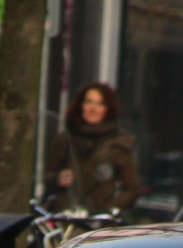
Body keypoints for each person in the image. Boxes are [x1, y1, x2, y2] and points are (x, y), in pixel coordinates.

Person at [43, 83, 140, 215]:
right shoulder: (65, 139)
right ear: (80, 106)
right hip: (66, 221)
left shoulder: (118, 145)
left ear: (108, 109)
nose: (93, 108)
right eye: (89, 102)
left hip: (98, 225)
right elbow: (47, 175)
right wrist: (58, 178)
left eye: (100, 104)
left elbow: (131, 190)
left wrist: (108, 209)